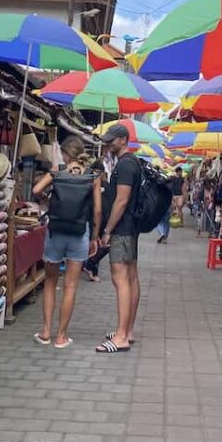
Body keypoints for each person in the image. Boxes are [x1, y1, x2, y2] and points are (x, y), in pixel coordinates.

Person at [32, 135, 101, 349]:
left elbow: (35, 191)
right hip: (80, 232)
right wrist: (95, 236)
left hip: (56, 232)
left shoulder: (57, 173)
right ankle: (61, 336)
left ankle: (45, 332)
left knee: (51, 282)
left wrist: (47, 198)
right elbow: (97, 210)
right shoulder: (93, 176)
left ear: (65, 154)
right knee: (70, 285)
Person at [95, 123, 141, 353]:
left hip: (122, 229)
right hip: (130, 228)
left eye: (112, 140)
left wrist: (107, 230)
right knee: (131, 277)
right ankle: (127, 329)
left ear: (123, 140)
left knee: (120, 278)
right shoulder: (132, 163)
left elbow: (121, 201)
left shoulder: (124, 166)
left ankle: (122, 336)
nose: (108, 144)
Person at [81, 160, 109, 282]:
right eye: (95, 172)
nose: (97, 174)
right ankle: (90, 267)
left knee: (101, 245)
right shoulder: (90, 184)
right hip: (91, 218)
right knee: (94, 244)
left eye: (99, 172)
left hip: (102, 219)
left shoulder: (107, 186)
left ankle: (89, 266)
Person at [157, 168, 184, 244]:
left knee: (159, 222)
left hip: (161, 206)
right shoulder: (170, 187)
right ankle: (165, 238)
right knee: (166, 222)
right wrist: (173, 205)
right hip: (168, 206)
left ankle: (162, 233)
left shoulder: (159, 186)